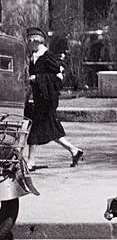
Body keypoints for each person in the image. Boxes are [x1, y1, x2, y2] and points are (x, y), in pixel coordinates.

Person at [23, 28, 83, 168]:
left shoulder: (47, 56)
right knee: (49, 128)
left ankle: (31, 161)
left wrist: (37, 78)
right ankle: (74, 150)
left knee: (35, 127)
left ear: (36, 40)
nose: (29, 44)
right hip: (40, 98)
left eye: (30, 41)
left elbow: (58, 77)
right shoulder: (34, 56)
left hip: (48, 99)